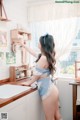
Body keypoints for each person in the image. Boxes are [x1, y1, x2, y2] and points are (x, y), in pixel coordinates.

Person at [21, 34, 61, 120]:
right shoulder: (48, 56)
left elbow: (35, 77)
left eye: (39, 42)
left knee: (49, 118)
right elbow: (33, 53)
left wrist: (27, 82)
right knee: (57, 115)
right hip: (52, 89)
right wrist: (23, 45)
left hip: (48, 92)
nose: (37, 43)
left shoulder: (43, 58)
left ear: (43, 44)